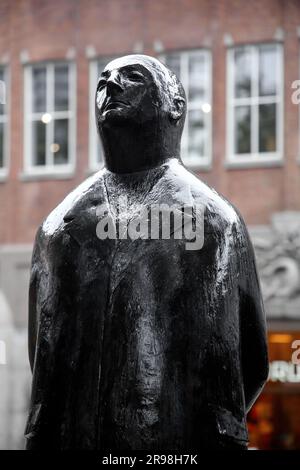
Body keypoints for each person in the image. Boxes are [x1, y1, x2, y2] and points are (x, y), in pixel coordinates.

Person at [25, 55, 268, 450]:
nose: (111, 86)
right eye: (103, 80)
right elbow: (43, 350)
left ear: (176, 106)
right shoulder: (58, 227)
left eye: (132, 77)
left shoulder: (216, 221)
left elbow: (250, 361)